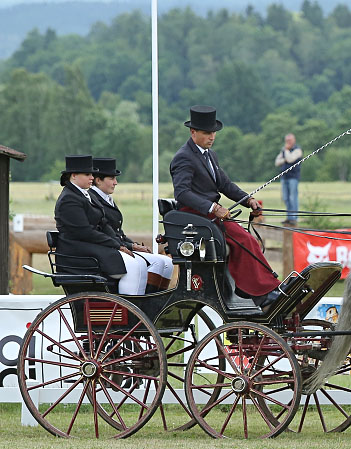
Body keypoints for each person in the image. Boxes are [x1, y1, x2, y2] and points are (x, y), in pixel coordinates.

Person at [170, 105, 282, 310]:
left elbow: (225, 185)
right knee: (244, 240)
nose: (212, 137)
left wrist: (248, 200)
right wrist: (212, 207)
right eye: (206, 133)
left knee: (250, 240)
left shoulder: (210, 156)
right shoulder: (184, 157)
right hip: (195, 217)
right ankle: (258, 293)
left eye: (213, 132)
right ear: (193, 132)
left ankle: (264, 287)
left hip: (210, 216)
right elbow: (182, 193)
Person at [54, 154, 147, 295]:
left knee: (139, 263)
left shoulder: (86, 195)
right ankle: (126, 311)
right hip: (77, 251)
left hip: (90, 246)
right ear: (73, 176)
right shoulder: (69, 199)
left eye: (91, 174)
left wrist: (121, 244)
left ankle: (134, 308)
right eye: (87, 174)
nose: (92, 177)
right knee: (133, 266)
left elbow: (103, 225)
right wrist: (116, 245)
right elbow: (85, 232)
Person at [90, 157, 174, 294]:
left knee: (167, 263)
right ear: (98, 180)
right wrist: (131, 246)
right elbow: (108, 233)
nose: (115, 183)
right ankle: (141, 303)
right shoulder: (94, 199)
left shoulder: (106, 198)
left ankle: (154, 300)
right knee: (157, 263)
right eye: (111, 178)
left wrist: (133, 244)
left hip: (119, 244)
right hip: (110, 248)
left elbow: (119, 232)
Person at [274, 133, 302, 226]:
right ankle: (289, 217)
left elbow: (290, 159)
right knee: (285, 198)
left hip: (293, 177)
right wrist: (285, 157)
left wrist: (286, 151)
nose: (288, 143)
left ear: (294, 140)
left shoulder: (297, 150)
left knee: (293, 197)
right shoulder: (284, 151)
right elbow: (277, 162)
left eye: (289, 141)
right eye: (287, 141)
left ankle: (294, 218)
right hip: (284, 177)